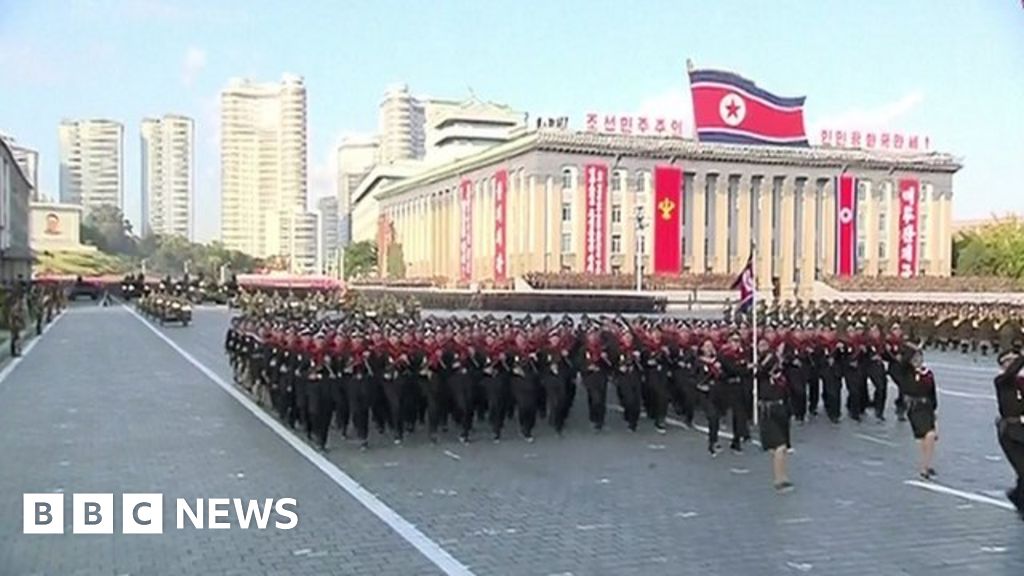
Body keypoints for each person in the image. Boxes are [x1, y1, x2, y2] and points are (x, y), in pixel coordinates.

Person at [756, 338, 794, 493]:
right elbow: (762, 369)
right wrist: (773, 355)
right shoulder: (762, 368)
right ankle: (779, 480)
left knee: (782, 447)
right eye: (761, 345)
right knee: (779, 446)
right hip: (768, 409)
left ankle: (783, 475)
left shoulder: (779, 371)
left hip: (780, 407)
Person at [994, 346, 1024, 518]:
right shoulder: (1001, 381)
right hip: (1010, 433)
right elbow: (1012, 372)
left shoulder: (1021, 382)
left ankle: (1017, 496)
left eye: (1013, 360)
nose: (1012, 363)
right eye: (1008, 361)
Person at [902, 348, 938, 479]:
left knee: (926, 438)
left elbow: (932, 392)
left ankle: (926, 464)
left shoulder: (928, 373)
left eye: (920, 358)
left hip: (927, 407)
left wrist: (934, 408)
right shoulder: (906, 373)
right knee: (929, 435)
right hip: (915, 407)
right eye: (915, 358)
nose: (918, 361)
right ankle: (924, 467)